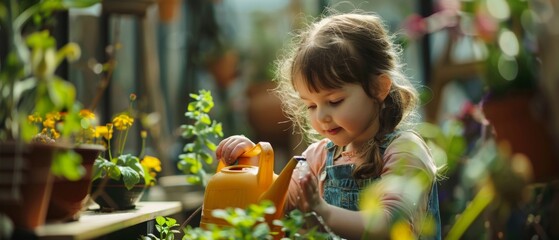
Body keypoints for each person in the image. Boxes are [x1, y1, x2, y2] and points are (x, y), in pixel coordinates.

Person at [216, 12, 441, 240]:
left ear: (378, 88)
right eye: (311, 106)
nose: (322, 116)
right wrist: (252, 165)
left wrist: (324, 212)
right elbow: (277, 201)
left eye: (334, 101)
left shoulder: (405, 152)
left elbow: (390, 226)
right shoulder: (318, 157)